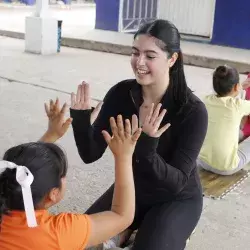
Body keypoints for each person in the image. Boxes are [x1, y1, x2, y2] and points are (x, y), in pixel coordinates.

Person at [64, 19, 208, 250]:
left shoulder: (192, 111)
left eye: (150, 56)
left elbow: (177, 183)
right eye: (135, 53)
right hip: (131, 187)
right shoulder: (121, 93)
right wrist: (81, 120)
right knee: (76, 241)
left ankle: (154, 232)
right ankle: (126, 230)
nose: (139, 62)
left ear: (172, 59)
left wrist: (147, 145)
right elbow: (90, 153)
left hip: (175, 198)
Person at [0, 99, 142, 250]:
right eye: (63, 175)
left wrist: (51, 134)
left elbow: (22, 172)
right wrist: (124, 157)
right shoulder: (59, 233)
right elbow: (121, 216)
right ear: (53, 194)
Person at [198, 66, 250, 175]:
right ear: (236, 86)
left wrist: (238, 88)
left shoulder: (207, 100)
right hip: (226, 168)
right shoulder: (237, 106)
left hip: (202, 161)